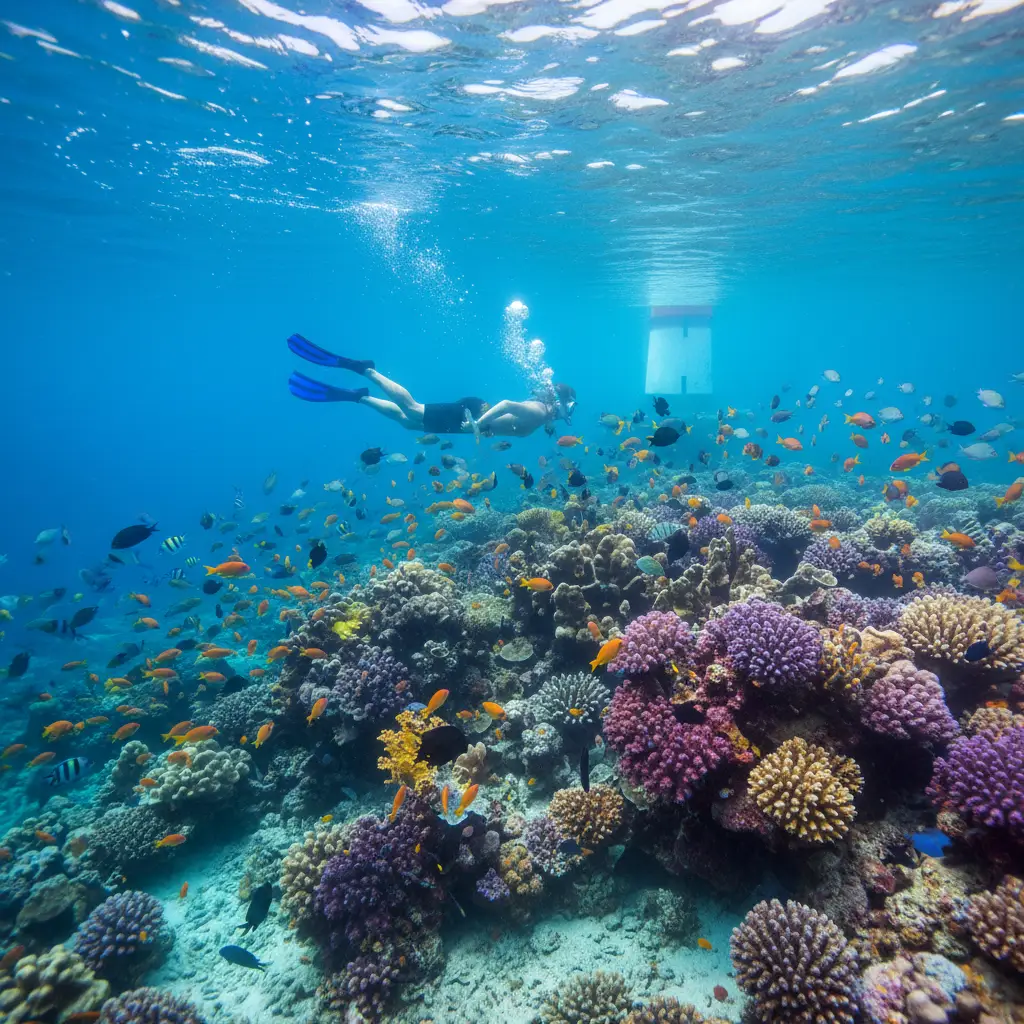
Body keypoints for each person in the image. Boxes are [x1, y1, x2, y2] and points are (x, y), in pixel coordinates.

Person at [286, 334, 575, 437]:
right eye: (570, 404)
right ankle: (367, 371)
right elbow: (507, 406)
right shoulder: (539, 411)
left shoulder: (543, 417)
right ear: (560, 400)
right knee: (412, 410)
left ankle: (358, 397)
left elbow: (510, 424)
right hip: (473, 415)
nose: (569, 412)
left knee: (408, 424)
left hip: (476, 423)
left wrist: (483, 428)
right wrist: (478, 424)